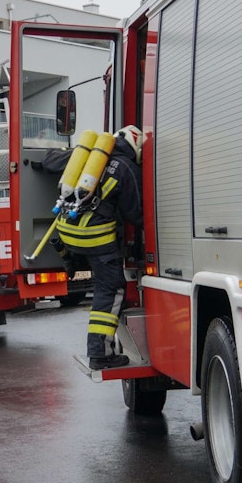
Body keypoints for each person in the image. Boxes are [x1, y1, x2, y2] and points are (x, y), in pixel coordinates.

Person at [54, 126, 144, 370]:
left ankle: (71, 264)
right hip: (93, 236)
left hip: (67, 230)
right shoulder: (126, 167)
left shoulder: (89, 158)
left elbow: (53, 162)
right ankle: (101, 354)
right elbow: (135, 213)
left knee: (100, 279)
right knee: (111, 289)